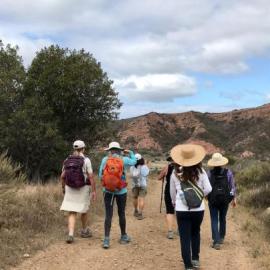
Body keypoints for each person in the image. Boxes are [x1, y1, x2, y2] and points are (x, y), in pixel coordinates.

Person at [170, 144, 212, 270]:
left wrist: (174, 202)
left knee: (184, 236)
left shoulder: (175, 173)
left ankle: (188, 265)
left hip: (181, 209)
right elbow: (209, 189)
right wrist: (199, 196)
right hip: (198, 210)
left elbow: (172, 192)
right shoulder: (201, 171)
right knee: (195, 233)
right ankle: (196, 259)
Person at [99, 141, 136, 249]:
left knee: (108, 215)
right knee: (121, 213)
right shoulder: (123, 159)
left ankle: (106, 240)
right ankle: (123, 236)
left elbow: (101, 175)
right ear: (119, 150)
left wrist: (107, 184)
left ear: (109, 150)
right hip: (121, 191)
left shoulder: (105, 160)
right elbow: (134, 162)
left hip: (107, 191)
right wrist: (131, 152)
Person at [60, 140, 96, 244]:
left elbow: (62, 176)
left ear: (74, 148)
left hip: (69, 188)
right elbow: (91, 176)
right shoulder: (86, 160)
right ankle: (84, 231)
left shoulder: (67, 159)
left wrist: (63, 188)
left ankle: (70, 234)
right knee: (84, 210)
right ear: (83, 148)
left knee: (72, 211)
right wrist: (94, 190)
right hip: (83, 188)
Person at [207, 153, 237, 250]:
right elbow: (232, 186)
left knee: (214, 219)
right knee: (222, 218)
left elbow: (206, 187)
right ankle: (221, 237)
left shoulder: (209, 173)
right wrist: (233, 198)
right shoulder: (228, 172)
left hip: (213, 200)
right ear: (222, 162)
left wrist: (208, 197)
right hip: (225, 200)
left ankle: (216, 242)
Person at [158, 156, 177, 239]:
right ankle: (180, 229)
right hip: (179, 191)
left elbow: (159, 178)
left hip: (169, 190)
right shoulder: (183, 167)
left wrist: (163, 175)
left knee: (169, 211)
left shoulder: (167, 167)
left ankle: (170, 231)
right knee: (180, 210)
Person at [130, 153, 150, 220]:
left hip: (134, 185)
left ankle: (135, 210)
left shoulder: (132, 167)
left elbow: (131, 175)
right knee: (141, 199)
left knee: (135, 198)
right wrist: (146, 165)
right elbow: (146, 174)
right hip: (142, 185)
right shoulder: (144, 167)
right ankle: (140, 214)